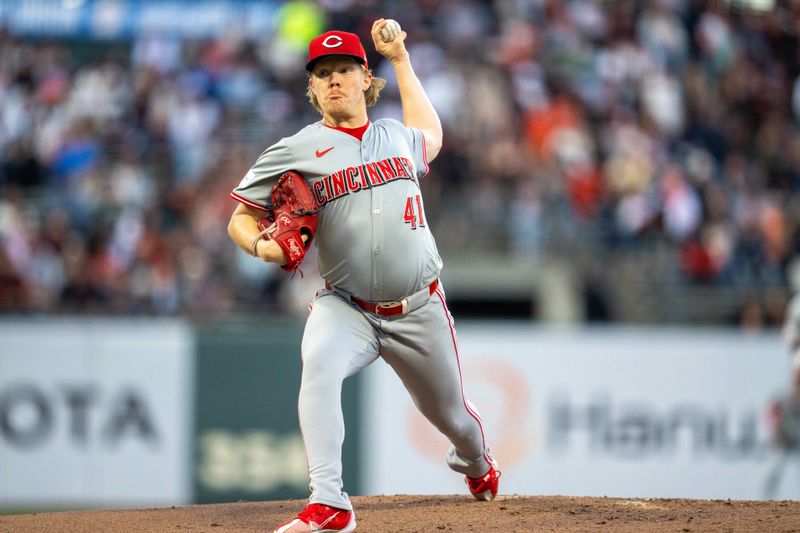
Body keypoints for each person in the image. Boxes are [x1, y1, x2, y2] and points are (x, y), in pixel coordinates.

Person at [226, 19, 500, 533]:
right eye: (322, 72)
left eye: (345, 70)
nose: (334, 79)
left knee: (454, 419)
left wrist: (401, 60)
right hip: (346, 305)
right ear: (310, 87)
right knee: (318, 363)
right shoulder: (295, 150)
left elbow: (433, 134)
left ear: (365, 79)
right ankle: (329, 502)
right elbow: (239, 217)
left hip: (419, 307)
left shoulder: (395, 135)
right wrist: (262, 244)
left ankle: (477, 463)